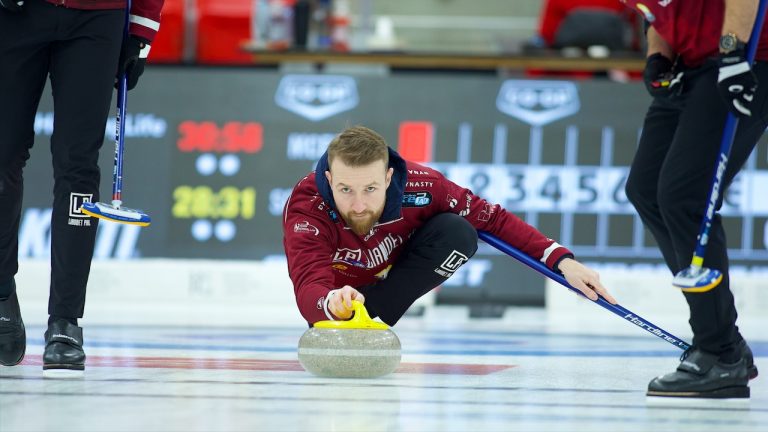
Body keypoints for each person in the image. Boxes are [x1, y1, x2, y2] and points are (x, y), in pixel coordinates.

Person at [282, 125, 616, 328]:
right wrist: (330, 303)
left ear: (388, 178)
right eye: (345, 190)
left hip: (386, 285)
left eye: (370, 189)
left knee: (459, 232)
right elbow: (308, 281)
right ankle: (348, 312)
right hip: (334, 294)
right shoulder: (307, 204)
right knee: (327, 303)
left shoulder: (424, 186)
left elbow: (493, 219)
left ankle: (377, 315)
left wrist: (561, 261)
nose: (358, 205)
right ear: (328, 179)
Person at [0, 0, 163, 376]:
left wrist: (141, 27)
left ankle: (65, 321)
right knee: (2, 156)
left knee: (79, 165)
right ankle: (2, 289)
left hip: (96, 15)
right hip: (17, 13)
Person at [621, 0, 762, 399]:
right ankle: (725, 342)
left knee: (686, 197)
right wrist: (657, 58)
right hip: (689, 64)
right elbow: (658, 11)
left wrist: (735, 54)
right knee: (646, 190)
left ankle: (719, 353)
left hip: (743, 58)